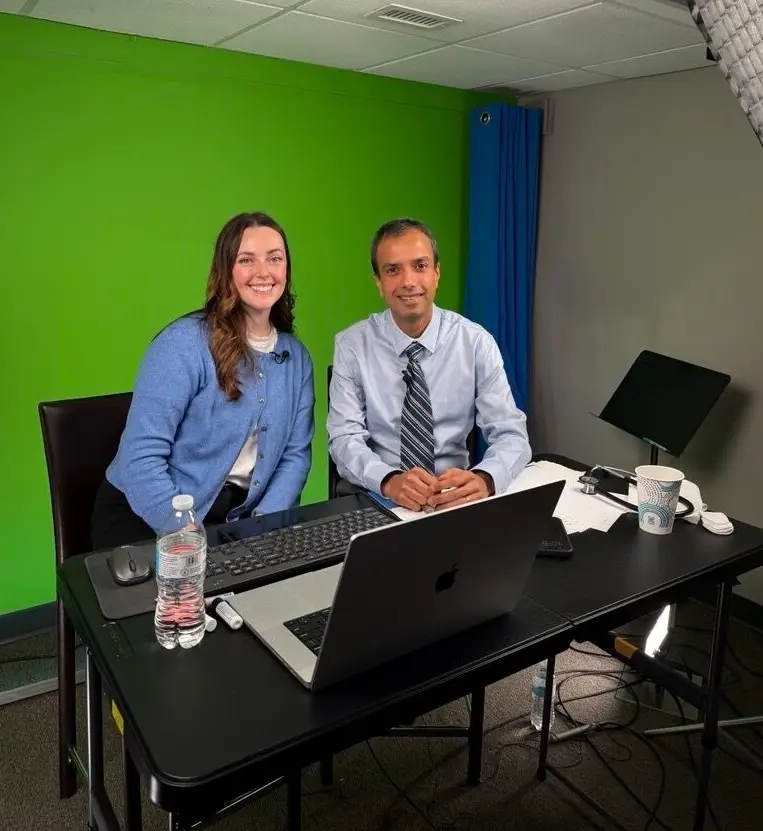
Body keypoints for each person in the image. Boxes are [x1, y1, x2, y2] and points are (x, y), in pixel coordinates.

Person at [91, 212, 315, 549]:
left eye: (274, 259)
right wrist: (185, 533)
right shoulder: (182, 345)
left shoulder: (296, 359)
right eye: (246, 260)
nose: (263, 272)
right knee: (190, 603)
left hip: (230, 524)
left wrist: (263, 528)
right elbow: (141, 459)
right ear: (226, 271)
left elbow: (294, 457)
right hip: (146, 519)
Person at [327, 218, 531, 512]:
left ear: (436, 273)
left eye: (420, 266)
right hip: (383, 500)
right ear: (379, 283)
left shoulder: (475, 343)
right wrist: (388, 480)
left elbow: (511, 435)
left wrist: (486, 479)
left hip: (454, 500)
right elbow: (344, 439)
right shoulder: (352, 346)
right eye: (393, 270)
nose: (408, 282)